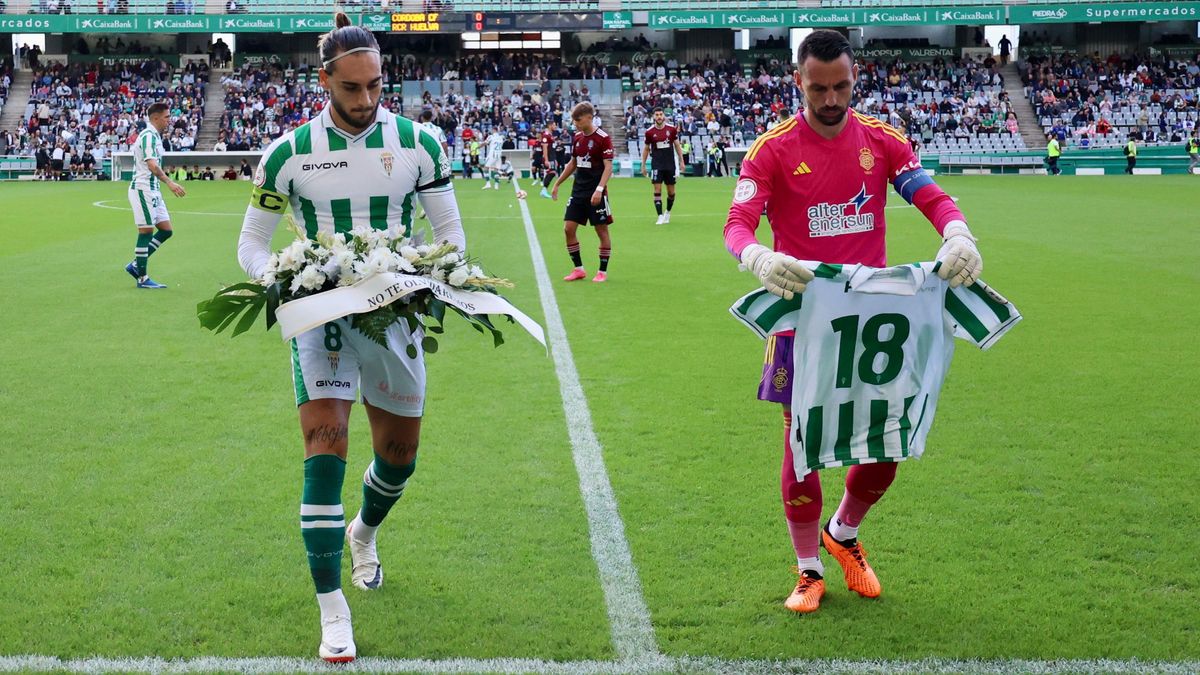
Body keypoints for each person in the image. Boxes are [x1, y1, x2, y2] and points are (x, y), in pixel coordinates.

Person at [722, 29, 982, 615]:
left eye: (841, 85)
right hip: (801, 319)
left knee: (888, 440)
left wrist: (958, 231)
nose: (832, 97)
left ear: (854, 77)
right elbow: (737, 223)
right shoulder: (771, 150)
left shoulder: (883, 142)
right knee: (802, 443)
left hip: (873, 322)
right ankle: (808, 567)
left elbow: (931, 196)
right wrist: (756, 255)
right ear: (798, 81)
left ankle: (843, 532)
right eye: (819, 87)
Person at [235, 12, 463, 663]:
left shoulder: (420, 142)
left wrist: (427, 276)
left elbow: (450, 234)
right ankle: (332, 610)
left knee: (399, 458)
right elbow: (251, 244)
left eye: (375, 86)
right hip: (321, 319)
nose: (365, 101)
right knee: (324, 448)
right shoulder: (287, 150)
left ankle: (364, 533)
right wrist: (282, 276)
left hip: (395, 316)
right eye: (352, 88)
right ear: (324, 81)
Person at [124, 102, 186, 289]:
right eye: (167, 117)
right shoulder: (148, 136)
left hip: (153, 189)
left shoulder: (155, 137)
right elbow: (151, 165)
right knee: (146, 231)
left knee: (166, 230)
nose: (170, 120)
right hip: (143, 188)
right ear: (156, 118)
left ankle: (136, 264)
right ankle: (142, 277)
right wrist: (170, 182)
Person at [550, 101, 614, 283]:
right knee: (568, 229)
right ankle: (578, 269)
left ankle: (602, 271)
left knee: (601, 231)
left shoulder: (603, 138)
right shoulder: (577, 137)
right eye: (574, 120)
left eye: (578, 119)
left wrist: (599, 190)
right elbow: (573, 163)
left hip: (596, 193)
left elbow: (608, 167)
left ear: (589, 117)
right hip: (578, 191)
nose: (575, 123)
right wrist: (558, 183)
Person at [640, 106, 684, 225]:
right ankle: (659, 216)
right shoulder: (649, 132)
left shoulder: (672, 130)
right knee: (657, 190)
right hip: (657, 165)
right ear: (653, 117)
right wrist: (643, 165)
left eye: (660, 114)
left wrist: (681, 161)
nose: (659, 117)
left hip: (670, 165)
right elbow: (646, 149)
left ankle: (667, 212)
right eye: (657, 115)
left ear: (663, 116)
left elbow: (677, 145)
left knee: (671, 193)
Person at [416, 109, 448, 219]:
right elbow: (444, 144)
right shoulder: (437, 129)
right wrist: (445, 159)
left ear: (422, 118)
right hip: (435, 159)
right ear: (431, 118)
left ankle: (417, 207)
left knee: (416, 185)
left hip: (419, 160)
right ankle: (430, 208)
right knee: (433, 185)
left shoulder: (416, 127)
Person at [538, 120, 559, 199]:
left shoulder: (551, 135)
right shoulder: (546, 135)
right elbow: (545, 147)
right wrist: (546, 159)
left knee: (552, 172)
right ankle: (543, 190)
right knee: (552, 172)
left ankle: (544, 190)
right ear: (550, 125)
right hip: (549, 157)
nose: (555, 126)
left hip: (552, 157)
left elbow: (552, 147)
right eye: (554, 125)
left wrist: (555, 159)